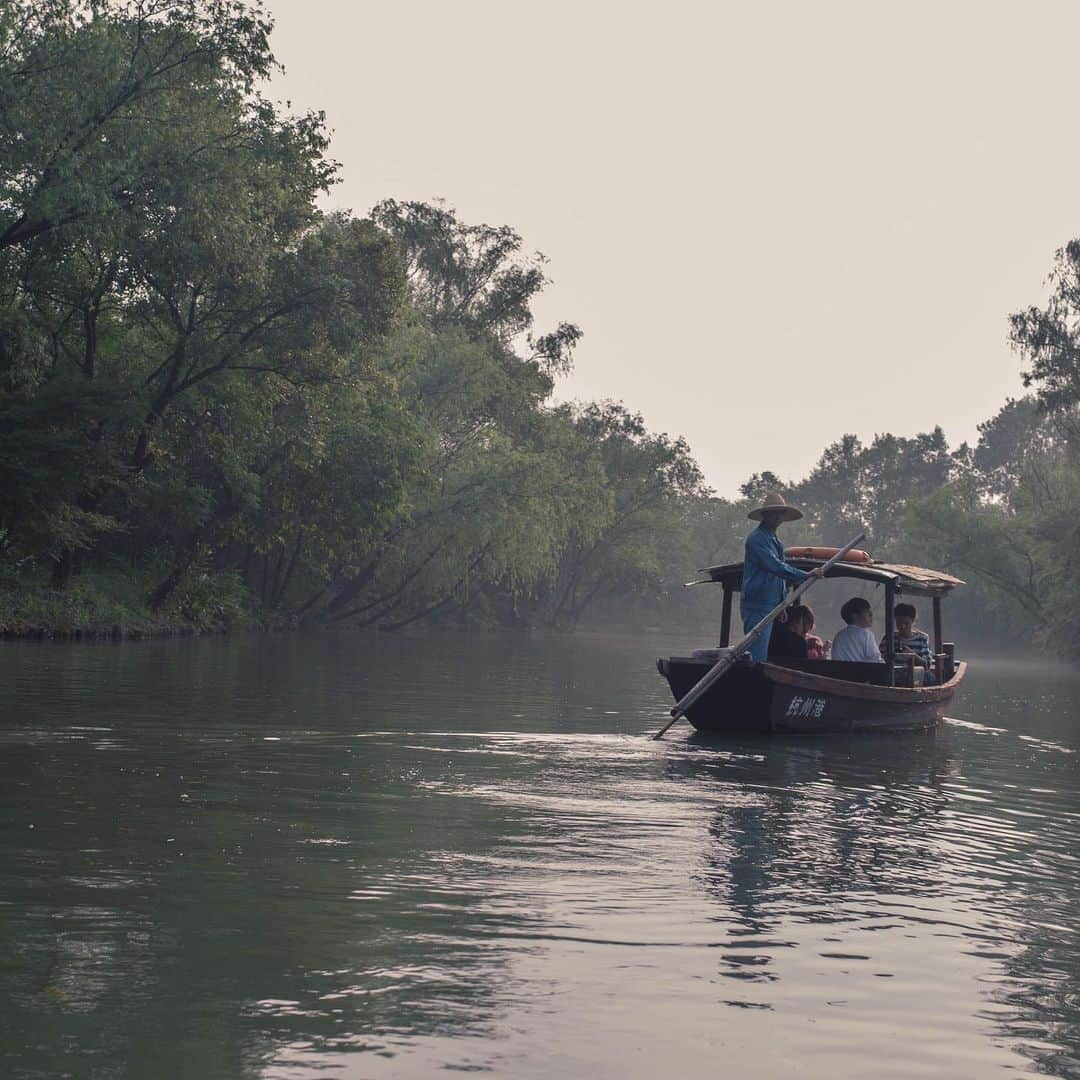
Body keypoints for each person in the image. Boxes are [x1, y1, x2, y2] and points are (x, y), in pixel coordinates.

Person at [740, 493, 824, 661]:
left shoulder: (776, 541)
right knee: (756, 655)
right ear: (765, 515)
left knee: (770, 650)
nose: (778, 517)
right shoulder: (757, 539)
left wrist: (782, 604)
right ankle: (754, 683)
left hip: (773, 606)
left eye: (780, 513)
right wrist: (806, 575)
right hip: (758, 605)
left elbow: (780, 579)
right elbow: (775, 567)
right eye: (774, 513)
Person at [882, 602, 937, 684]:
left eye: (906, 623)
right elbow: (880, 659)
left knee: (929, 677)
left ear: (912, 621)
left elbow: (927, 664)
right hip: (894, 675)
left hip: (915, 675)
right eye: (899, 623)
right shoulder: (889, 638)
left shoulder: (922, 638)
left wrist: (913, 656)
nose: (902, 626)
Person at [831, 596, 884, 663]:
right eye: (867, 612)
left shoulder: (839, 636)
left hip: (841, 673)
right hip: (862, 672)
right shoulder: (867, 635)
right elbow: (877, 661)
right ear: (855, 615)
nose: (871, 615)